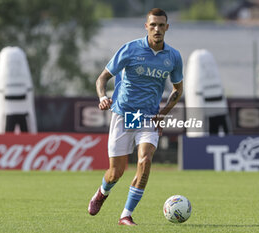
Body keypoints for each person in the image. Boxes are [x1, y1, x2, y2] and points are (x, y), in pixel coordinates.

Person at [88, 8, 183, 226]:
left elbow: (178, 90)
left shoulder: (173, 57)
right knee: (116, 172)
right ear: (146, 27)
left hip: (148, 117)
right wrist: (102, 97)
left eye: (161, 25)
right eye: (153, 25)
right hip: (124, 115)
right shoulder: (130, 49)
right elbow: (102, 78)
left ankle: (126, 215)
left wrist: (163, 114)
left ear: (167, 27)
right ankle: (102, 192)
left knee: (145, 160)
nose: (157, 29)